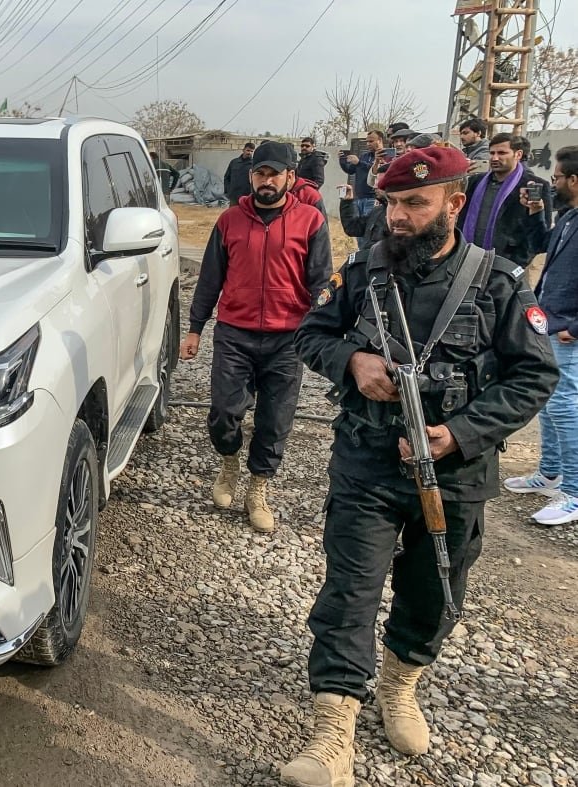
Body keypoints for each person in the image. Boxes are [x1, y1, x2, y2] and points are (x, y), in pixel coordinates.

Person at [283, 147, 557, 787]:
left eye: (414, 203)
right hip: (367, 461)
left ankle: (400, 684)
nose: (398, 216)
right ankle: (333, 729)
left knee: (437, 589)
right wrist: (353, 361)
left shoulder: (499, 282)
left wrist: (458, 433)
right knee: (350, 590)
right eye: (391, 203)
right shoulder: (364, 270)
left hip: (456, 474)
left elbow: (533, 375)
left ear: (453, 204)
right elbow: (312, 334)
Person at [180, 141, 332, 533]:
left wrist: (323, 331)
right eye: (260, 174)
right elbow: (210, 278)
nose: (266, 181)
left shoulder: (311, 221)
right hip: (235, 333)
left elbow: (320, 281)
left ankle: (258, 488)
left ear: (290, 178)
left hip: (287, 339)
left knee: (275, 419)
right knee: (225, 411)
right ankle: (229, 460)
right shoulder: (231, 220)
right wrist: (195, 328)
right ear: (251, 177)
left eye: (274, 174)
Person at [503, 145, 578, 525]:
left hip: (569, 330)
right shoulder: (568, 217)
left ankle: (575, 493)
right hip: (552, 321)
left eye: (559, 178)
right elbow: (540, 247)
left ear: (574, 180)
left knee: (566, 405)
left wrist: (573, 328)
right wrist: (535, 214)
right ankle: (550, 474)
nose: (555, 184)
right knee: (550, 401)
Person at [462, 132, 552, 267]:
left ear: (518, 154)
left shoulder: (534, 185)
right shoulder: (475, 182)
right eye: (492, 153)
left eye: (502, 153)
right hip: (468, 258)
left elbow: (539, 231)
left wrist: (519, 262)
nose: (495, 158)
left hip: (507, 263)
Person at [339, 130, 384, 249]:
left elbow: (375, 171)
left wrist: (359, 162)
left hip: (372, 199)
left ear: (379, 140)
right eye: (367, 141)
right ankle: (362, 254)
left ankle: (368, 255)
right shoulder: (365, 156)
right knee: (358, 231)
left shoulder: (384, 156)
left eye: (371, 141)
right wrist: (342, 160)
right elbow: (351, 170)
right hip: (359, 198)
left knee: (370, 231)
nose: (368, 144)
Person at [338, 182, 388, 250]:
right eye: (375, 181)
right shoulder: (377, 211)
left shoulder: (399, 217)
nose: (374, 187)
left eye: (380, 182)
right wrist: (347, 202)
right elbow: (353, 228)